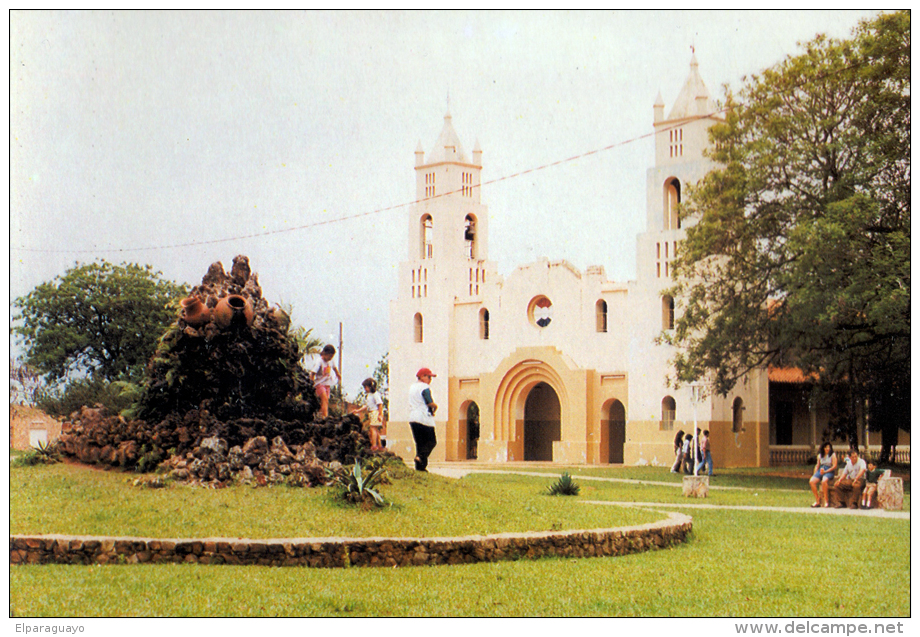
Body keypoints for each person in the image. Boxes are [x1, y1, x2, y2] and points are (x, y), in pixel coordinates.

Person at [408, 367, 438, 471]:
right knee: (431, 441)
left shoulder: (412, 387)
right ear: (422, 376)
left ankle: (420, 467)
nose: (430, 380)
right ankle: (420, 457)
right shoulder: (424, 387)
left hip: (413, 417)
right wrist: (435, 406)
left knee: (419, 444)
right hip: (424, 418)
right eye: (429, 377)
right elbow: (429, 401)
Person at [350, 378, 385, 451]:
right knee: (375, 429)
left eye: (366, 387)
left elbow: (380, 404)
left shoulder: (375, 395)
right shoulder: (369, 395)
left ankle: (374, 445)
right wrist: (358, 410)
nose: (365, 389)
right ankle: (379, 445)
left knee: (373, 429)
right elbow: (366, 406)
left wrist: (380, 415)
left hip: (375, 412)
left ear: (370, 387)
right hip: (371, 413)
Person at [309, 344, 341, 419]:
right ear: (325, 354)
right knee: (324, 399)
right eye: (329, 356)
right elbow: (312, 373)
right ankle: (325, 417)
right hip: (319, 383)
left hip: (327, 383)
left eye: (332, 357)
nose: (330, 358)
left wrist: (338, 374)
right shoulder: (319, 361)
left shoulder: (331, 361)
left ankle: (319, 417)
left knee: (325, 401)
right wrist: (311, 383)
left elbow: (334, 367)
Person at [809, 442, 837, 508]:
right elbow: (817, 465)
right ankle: (817, 500)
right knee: (811, 481)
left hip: (829, 470)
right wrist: (815, 473)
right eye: (826, 447)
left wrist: (826, 471)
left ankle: (826, 501)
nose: (827, 449)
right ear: (823, 448)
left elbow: (834, 466)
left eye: (828, 447)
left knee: (824, 481)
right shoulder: (820, 455)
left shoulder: (832, 455)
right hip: (821, 469)